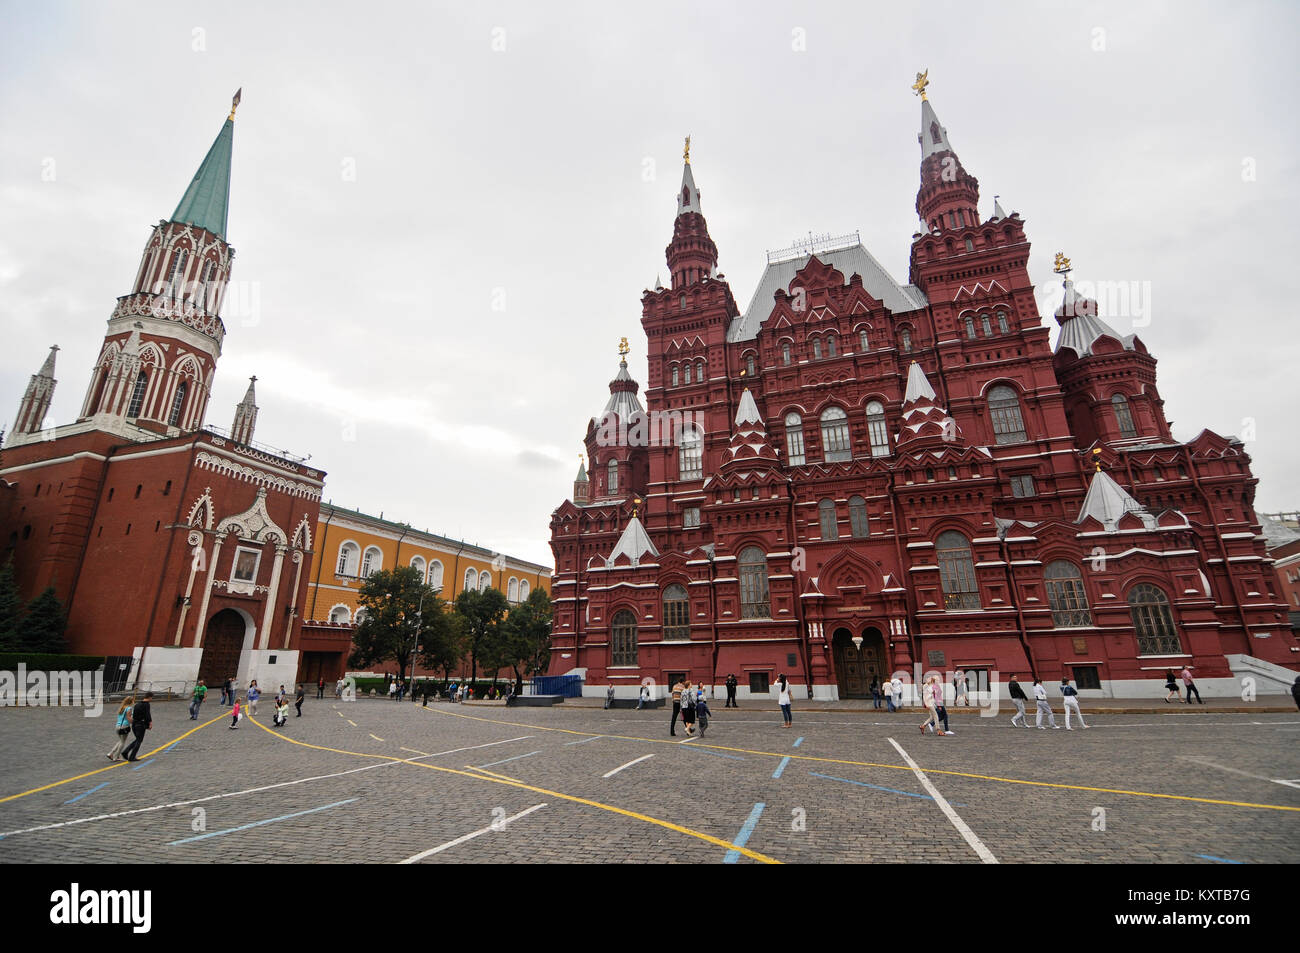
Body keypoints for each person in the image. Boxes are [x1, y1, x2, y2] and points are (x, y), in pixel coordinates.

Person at [120, 692, 153, 762]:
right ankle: (132, 756)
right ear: (149, 697)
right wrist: (150, 723)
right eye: (151, 698)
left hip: (134, 724)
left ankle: (125, 752)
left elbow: (134, 715)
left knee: (138, 739)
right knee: (139, 741)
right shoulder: (146, 705)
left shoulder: (137, 704)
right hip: (140, 725)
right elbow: (147, 715)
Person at [107, 695, 134, 761]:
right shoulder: (129, 708)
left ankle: (111, 753)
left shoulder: (122, 707)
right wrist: (134, 722)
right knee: (122, 742)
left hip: (117, 726)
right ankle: (116, 757)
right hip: (124, 726)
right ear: (131, 701)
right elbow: (128, 718)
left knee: (120, 741)